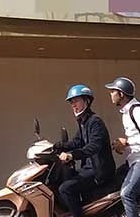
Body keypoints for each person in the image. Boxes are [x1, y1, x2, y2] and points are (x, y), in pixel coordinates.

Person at [55, 84, 115, 217]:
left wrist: (71, 155)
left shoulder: (95, 122)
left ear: (86, 101)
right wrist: (56, 146)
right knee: (65, 178)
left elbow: (93, 146)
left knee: (65, 189)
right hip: (88, 168)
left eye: (76, 101)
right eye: (71, 102)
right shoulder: (83, 122)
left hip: (98, 170)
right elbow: (77, 142)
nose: (73, 105)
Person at [105, 77, 140, 217]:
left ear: (121, 94)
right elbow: (137, 140)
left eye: (113, 91)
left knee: (127, 194)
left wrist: (127, 142)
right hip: (134, 161)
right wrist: (123, 147)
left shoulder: (137, 110)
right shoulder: (127, 112)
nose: (111, 94)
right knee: (110, 186)